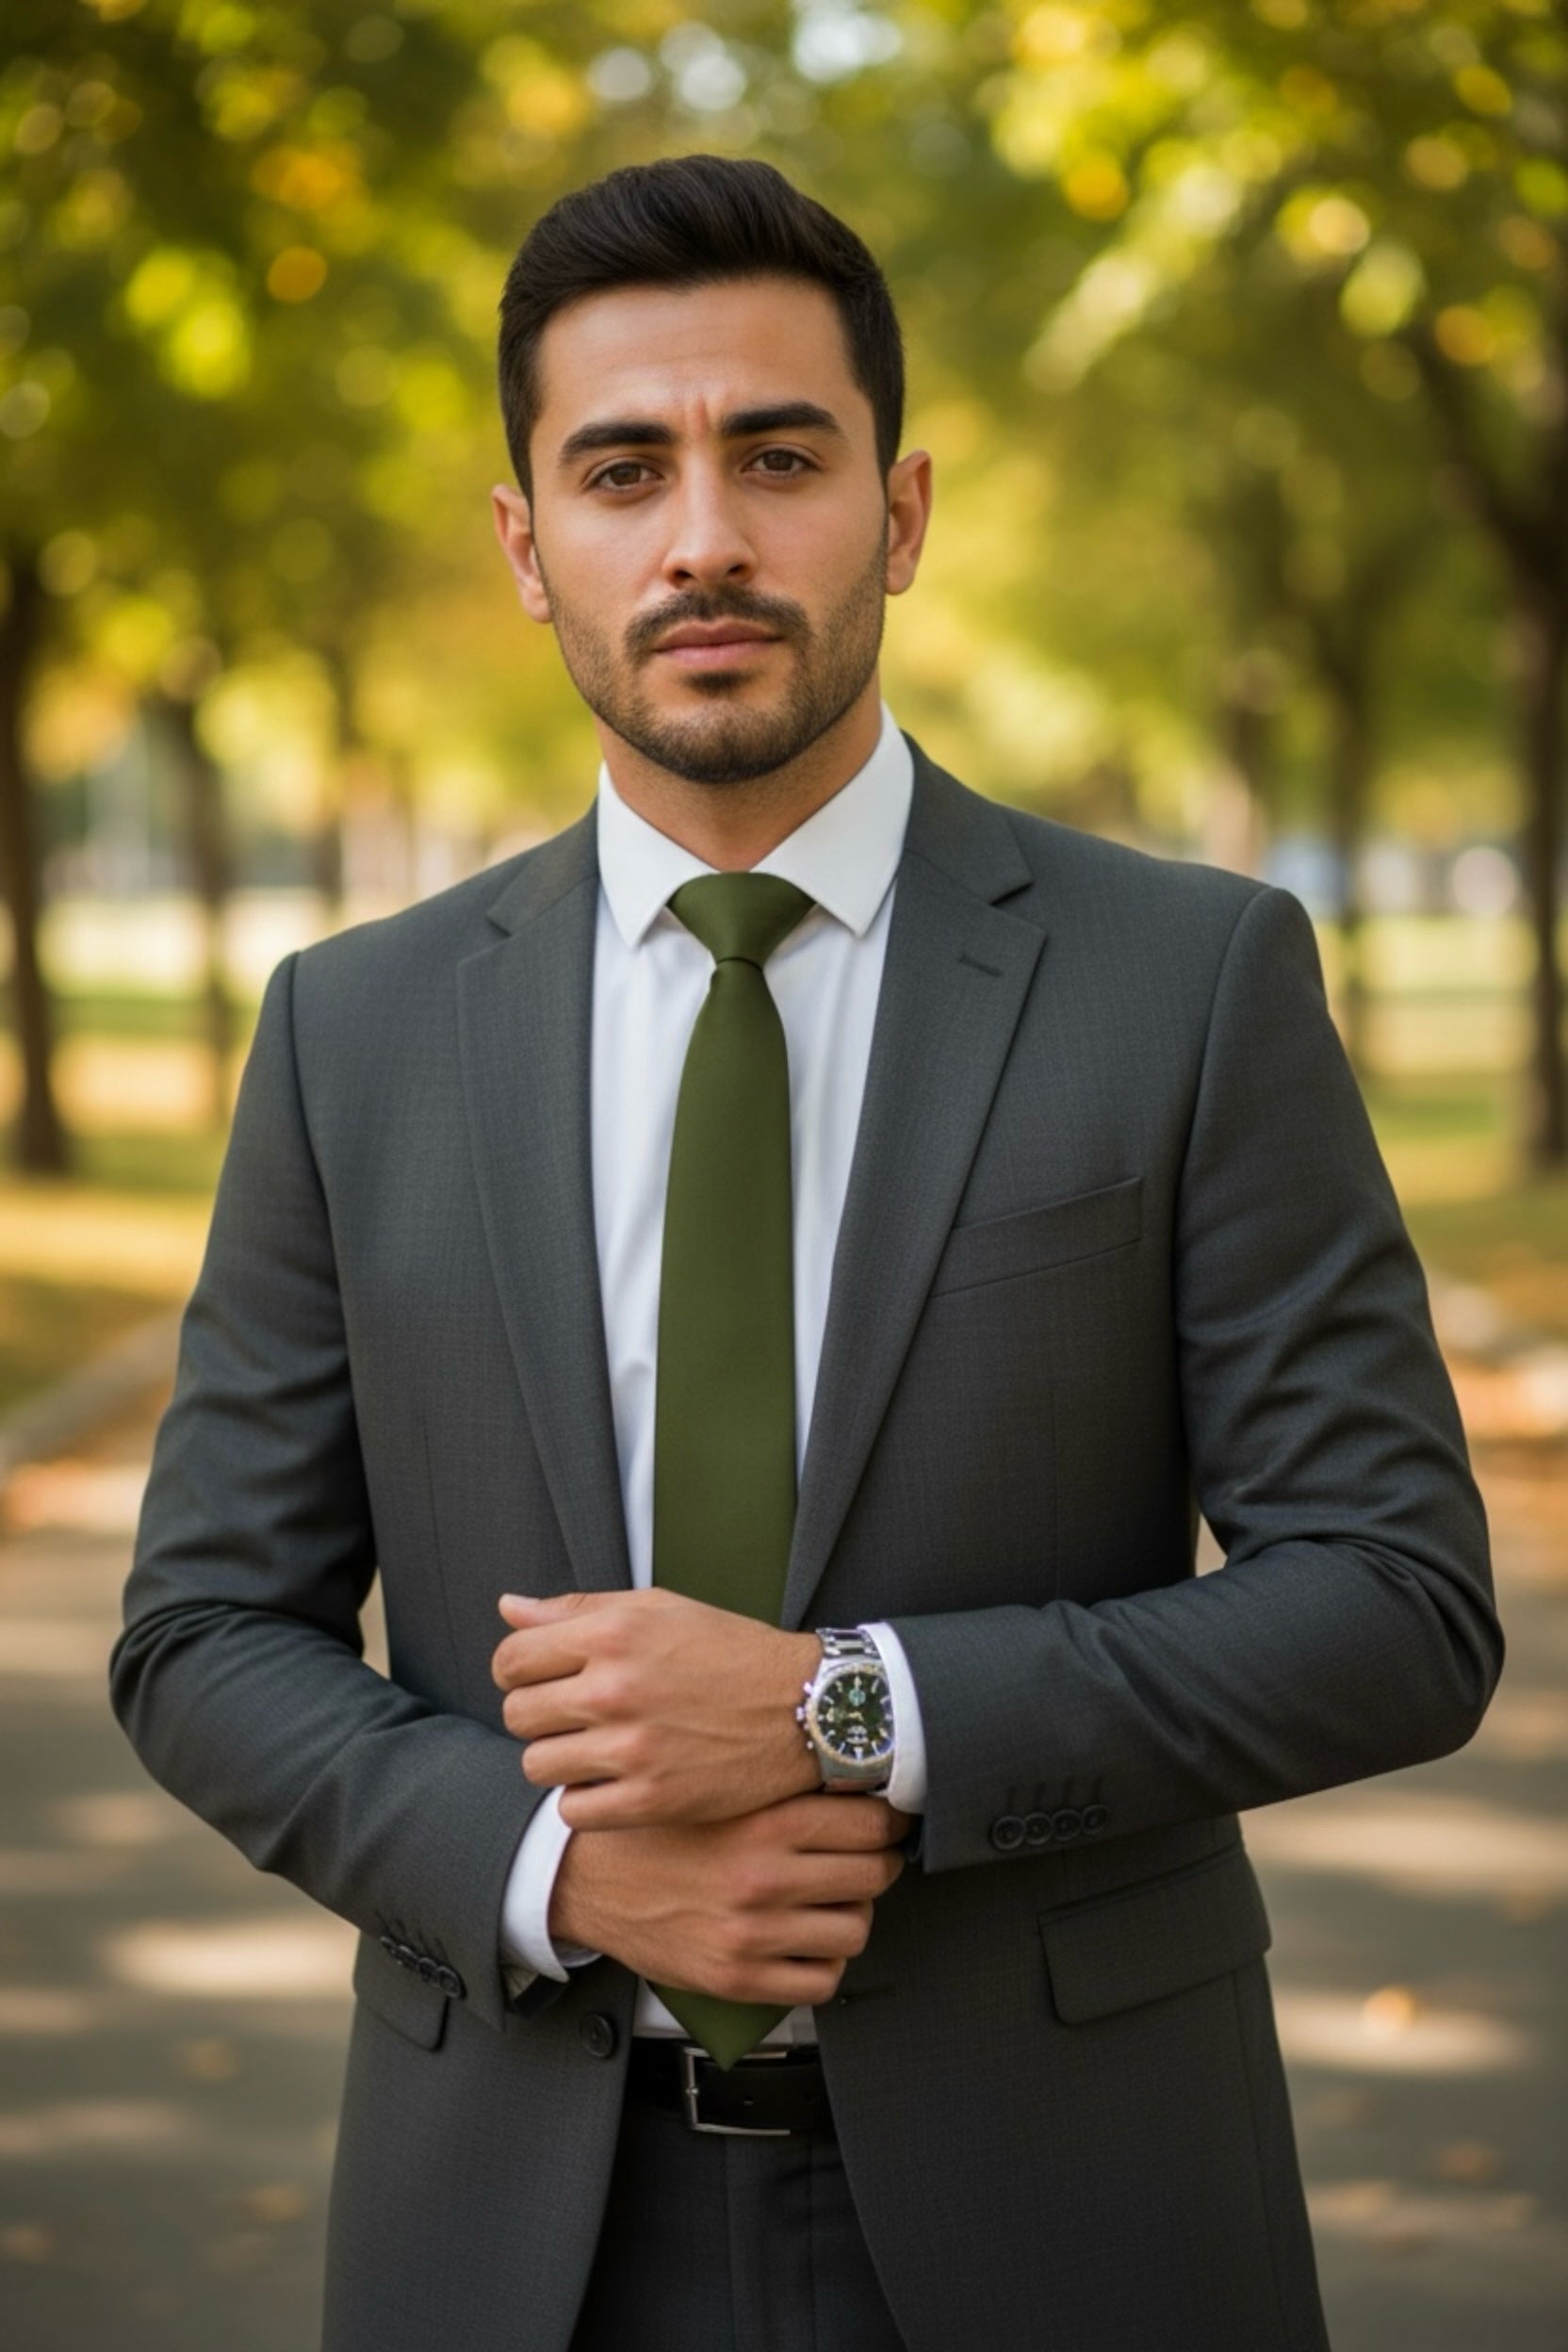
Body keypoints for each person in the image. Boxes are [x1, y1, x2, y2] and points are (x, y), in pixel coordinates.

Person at [111, 153, 1502, 2352]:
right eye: (620, 469)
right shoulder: (351, 1035)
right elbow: (200, 1632)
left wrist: (855, 1710)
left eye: (779, 456)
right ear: (523, 543)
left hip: (1082, 2210)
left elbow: (1399, 1605)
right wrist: (552, 1863)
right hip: (514, 2232)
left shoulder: (1188, 979)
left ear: (904, 510)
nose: (704, 540)